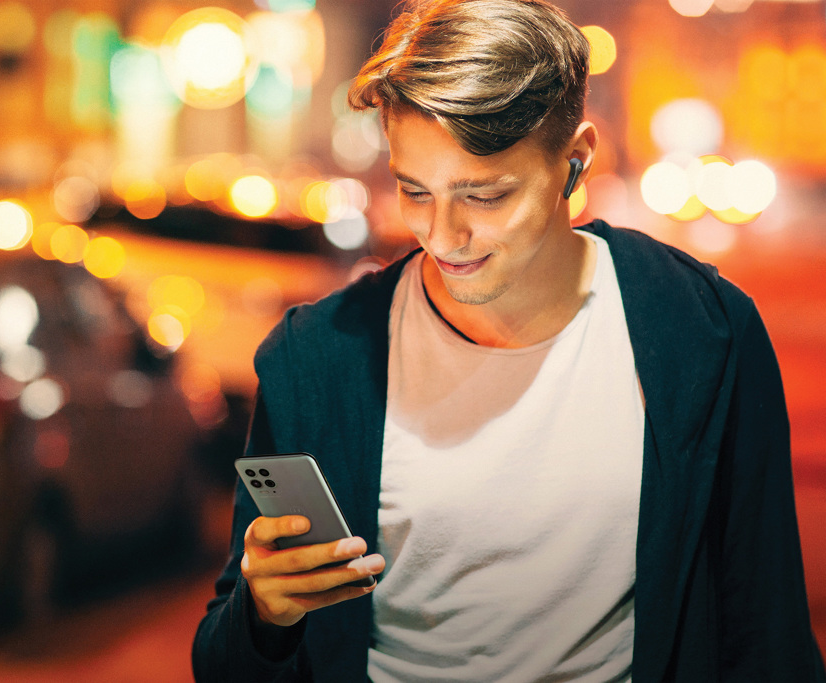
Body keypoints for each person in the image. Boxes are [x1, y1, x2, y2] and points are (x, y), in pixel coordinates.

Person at [192, 0, 826, 680]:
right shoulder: (317, 358)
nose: (443, 234)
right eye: (415, 190)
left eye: (485, 195)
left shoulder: (704, 332)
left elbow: (768, 634)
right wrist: (266, 614)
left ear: (574, 161)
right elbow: (225, 657)